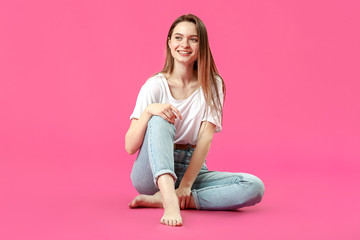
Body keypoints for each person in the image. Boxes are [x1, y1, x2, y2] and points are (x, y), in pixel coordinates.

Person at [125, 14, 265, 227]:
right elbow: (129, 146)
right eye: (179, 38)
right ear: (170, 43)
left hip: (192, 168)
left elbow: (205, 138)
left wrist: (186, 185)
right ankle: (170, 201)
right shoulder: (154, 86)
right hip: (151, 171)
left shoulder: (212, 84)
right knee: (160, 119)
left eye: (193, 39)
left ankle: (177, 199)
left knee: (254, 186)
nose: (185, 44)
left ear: (202, 45)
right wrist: (149, 112)